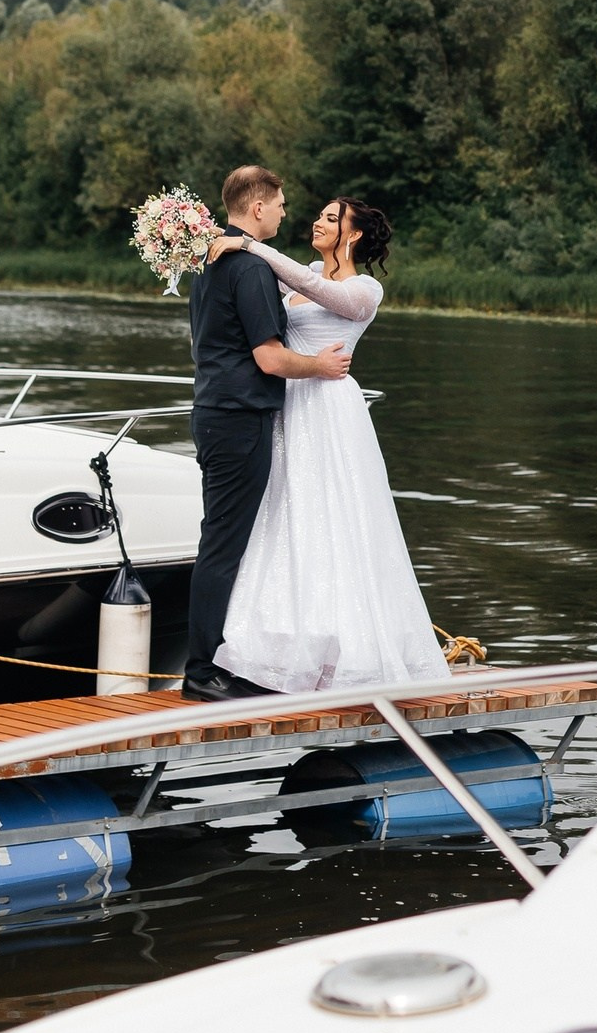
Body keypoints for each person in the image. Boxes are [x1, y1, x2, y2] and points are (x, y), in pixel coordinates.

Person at [208, 195, 451, 694]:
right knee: (289, 518)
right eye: (318, 215)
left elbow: (315, 286)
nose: (318, 222)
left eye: (331, 218)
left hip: (331, 410)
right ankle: (280, 649)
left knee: (338, 518)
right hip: (288, 404)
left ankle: (349, 654)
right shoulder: (288, 273)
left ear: (355, 234)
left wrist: (251, 246)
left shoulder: (365, 289)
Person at [184, 165, 352, 703]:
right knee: (226, 545)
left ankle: (221, 660)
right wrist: (319, 367)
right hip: (239, 417)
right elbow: (270, 358)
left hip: (214, 409)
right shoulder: (249, 269)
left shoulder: (209, 264)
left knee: (225, 539)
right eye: (279, 203)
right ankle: (203, 670)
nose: (284, 211)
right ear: (257, 207)